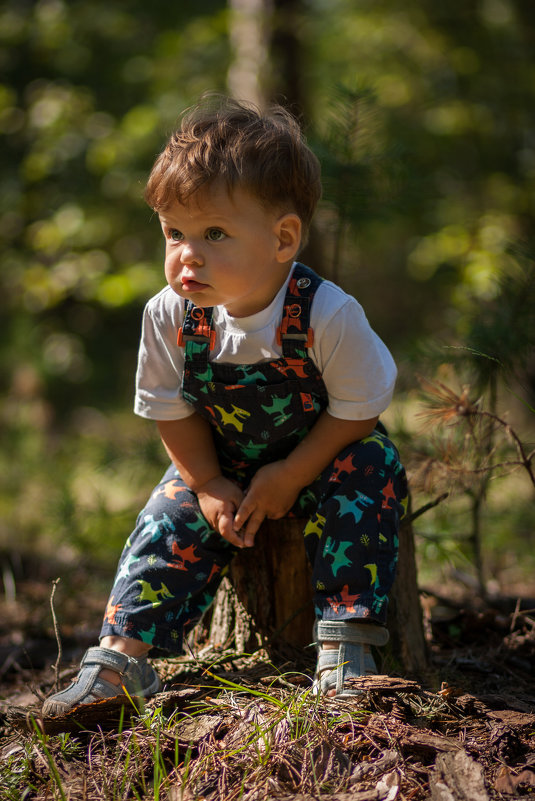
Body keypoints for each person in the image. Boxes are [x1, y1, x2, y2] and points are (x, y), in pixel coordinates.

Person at [42, 95, 407, 715]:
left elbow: (358, 409)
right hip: (223, 460)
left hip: (325, 454)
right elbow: (169, 408)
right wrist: (208, 482)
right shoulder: (170, 315)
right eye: (175, 233)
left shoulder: (325, 313)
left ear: (282, 237)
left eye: (214, 233)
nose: (188, 254)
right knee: (166, 517)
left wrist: (292, 474)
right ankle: (121, 658)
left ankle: (347, 648)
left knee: (368, 476)